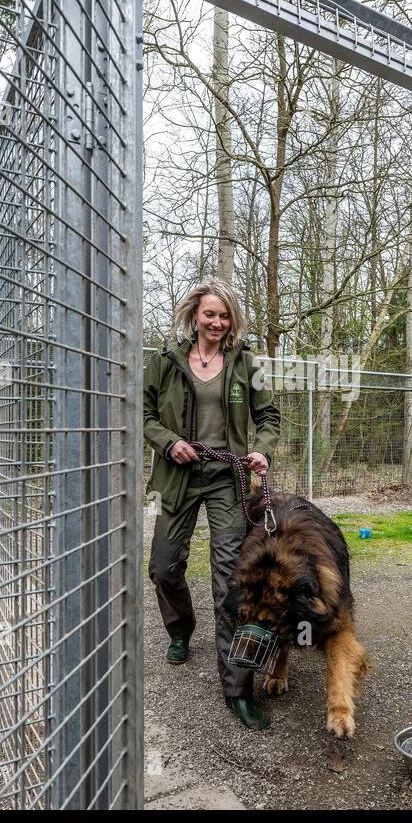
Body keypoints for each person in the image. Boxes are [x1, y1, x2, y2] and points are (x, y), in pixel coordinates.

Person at [143, 280, 280, 731]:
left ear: (232, 320)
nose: (216, 323)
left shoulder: (248, 365)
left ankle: (237, 689)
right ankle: (180, 629)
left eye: (224, 316)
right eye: (209, 315)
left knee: (231, 582)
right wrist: (169, 442)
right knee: (164, 566)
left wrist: (261, 448)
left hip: (230, 480)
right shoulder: (164, 363)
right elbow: (143, 415)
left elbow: (269, 416)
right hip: (177, 478)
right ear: (194, 316)